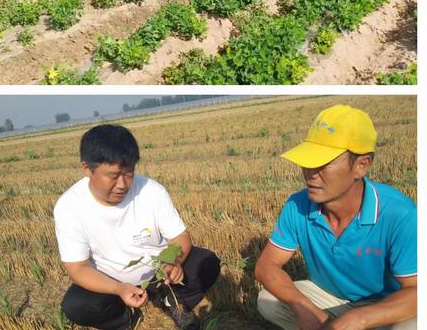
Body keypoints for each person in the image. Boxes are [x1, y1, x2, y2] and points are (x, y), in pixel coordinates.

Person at [255, 105, 417, 330]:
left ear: (361, 165)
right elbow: (266, 265)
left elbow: (418, 291)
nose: (311, 173)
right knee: (268, 301)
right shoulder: (297, 206)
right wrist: (304, 307)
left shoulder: (399, 214)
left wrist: (358, 319)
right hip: (330, 299)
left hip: (385, 306)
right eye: (308, 161)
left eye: (324, 163)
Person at [54, 124, 220, 330]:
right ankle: (123, 317)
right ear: (87, 169)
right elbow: (77, 268)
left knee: (206, 263)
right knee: (77, 305)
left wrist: (172, 263)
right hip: (110, 279)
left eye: (129, 173)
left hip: (158, 271)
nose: (123, 184)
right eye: (113, 176)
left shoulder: (152, 191)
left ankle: (172, 301)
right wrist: (119, 288)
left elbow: (180, 237)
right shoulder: (69, 206)